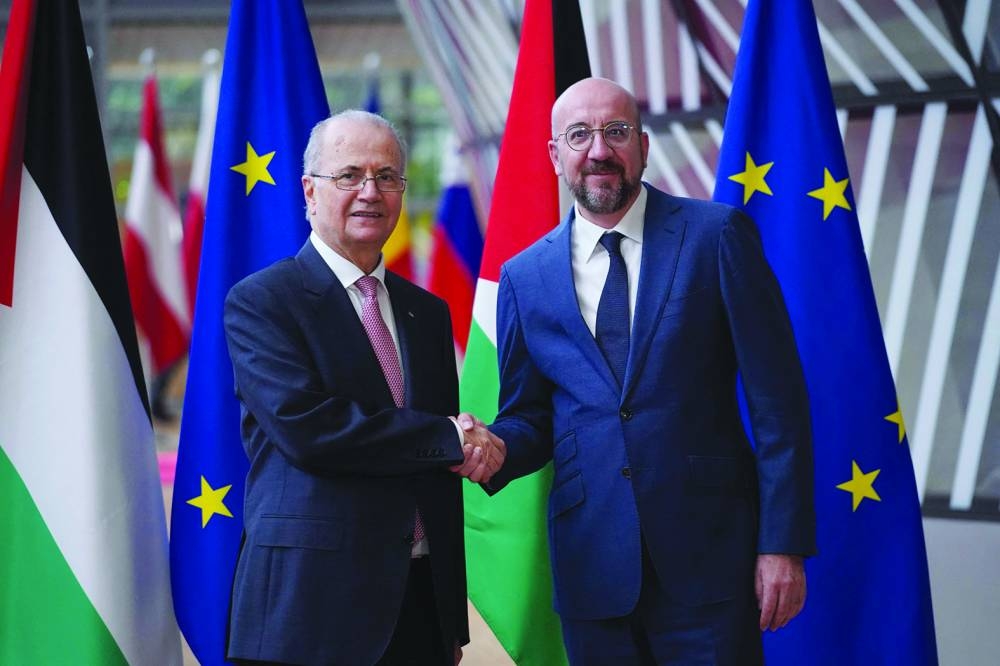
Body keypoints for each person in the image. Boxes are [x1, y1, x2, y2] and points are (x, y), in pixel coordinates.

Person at [485, 77, 816, 665]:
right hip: (592, 573)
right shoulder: (523, 277)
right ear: (555, 155)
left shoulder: (716, 236)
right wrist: (493, 448)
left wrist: (782, 545)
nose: (599, 150)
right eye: (579, 135)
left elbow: (778, 404)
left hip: (710, 563)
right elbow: (529, 417)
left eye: (616, 131)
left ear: (642, 146)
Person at [223, 110, 504, 666]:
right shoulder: (263, 302)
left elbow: (430, 469)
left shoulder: (427, 312)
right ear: (310, 191)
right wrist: (451, 438)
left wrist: (448, 615)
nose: (370, 192)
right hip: (311, 612)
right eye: (349, 175)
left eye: (387, 176)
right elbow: (310, 430)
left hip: (420, 604)